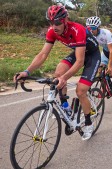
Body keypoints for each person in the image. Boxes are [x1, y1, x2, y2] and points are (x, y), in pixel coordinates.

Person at [14, 5, 100, 140]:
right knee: (58, 74)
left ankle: (88, 123)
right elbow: (43, 54)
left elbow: (79, 61)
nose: (54, 26)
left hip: (92, 56)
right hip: (78, 51)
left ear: (65, 20)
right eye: (51, 22)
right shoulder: (52, 31)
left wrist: (65, 78)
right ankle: (66, 107)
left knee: (80, 91)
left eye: (58, 22)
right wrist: (27, 71)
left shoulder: (77, 30)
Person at [86, 16, 112, 96]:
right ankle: (104, 90)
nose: (91, 30)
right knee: (100, 70)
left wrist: (109, 66)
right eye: (89, 28)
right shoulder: (90, 35)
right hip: (105, 51)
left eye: (93, 28)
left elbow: (111, 50)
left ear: (97, 27)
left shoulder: (106, 33)